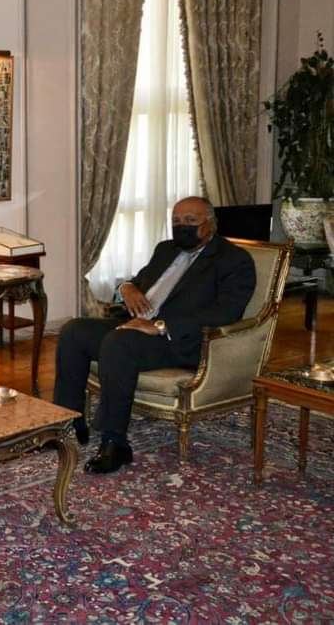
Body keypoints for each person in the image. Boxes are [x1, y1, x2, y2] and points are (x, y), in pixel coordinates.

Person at [53, 197, 256, 474]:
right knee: (74, 331)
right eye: (176, 221)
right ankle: (69, 421)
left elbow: (226, 313)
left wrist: (162, 326)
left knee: (118, 343)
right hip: (139, 326)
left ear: (211, 224)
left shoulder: (234, 260)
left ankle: (115, 442)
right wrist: (127, 288)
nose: (181, 226)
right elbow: (139, 282)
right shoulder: (166, 249)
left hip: (181, 340)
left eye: (190, 221)